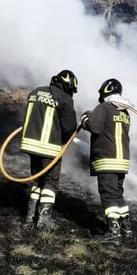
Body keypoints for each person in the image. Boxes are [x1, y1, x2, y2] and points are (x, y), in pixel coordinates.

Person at [19, 70, 79, 230]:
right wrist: (65, 141)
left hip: (30, 144)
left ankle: (29, 218)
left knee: (36, 179)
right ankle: (44, 221)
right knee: (51, 182)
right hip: (49, 147)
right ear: (68, 86)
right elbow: (69, 127)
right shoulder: (64, 99)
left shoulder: (35, 92)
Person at [81, 77, 132, 242]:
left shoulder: (104, 107)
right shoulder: (125, 112)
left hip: (107, 159)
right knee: (117, 194)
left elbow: (94, 127)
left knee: (108, 195)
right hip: (122, 161)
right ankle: (127, 228)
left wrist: (85, 118)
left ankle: (114, 232)